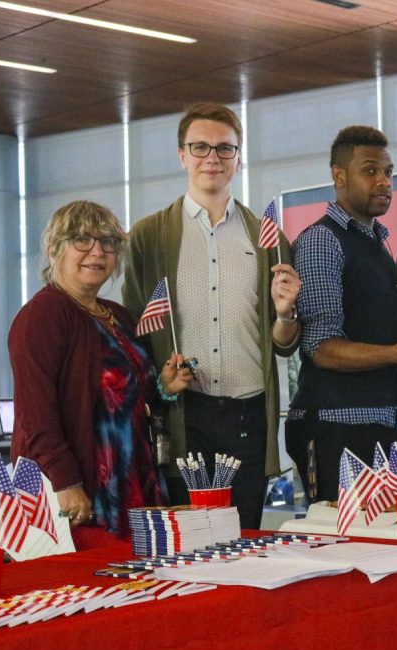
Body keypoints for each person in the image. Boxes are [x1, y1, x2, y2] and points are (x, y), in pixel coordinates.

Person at [123, 102, 302, 529]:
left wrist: (285, 312)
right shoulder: (150, 235)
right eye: (200, 147)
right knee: (187, 542)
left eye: (225, 149)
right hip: (185, 414)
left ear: (239, 159)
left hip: (248, 414)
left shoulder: (269, 238)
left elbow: (284, 341)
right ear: (182, 155)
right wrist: (161, 387)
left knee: (244, 538)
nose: (212, 158)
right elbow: (133, 331)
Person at [9, 201, 193, 544]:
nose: (97, 251)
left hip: (133, 480)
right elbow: (36, 417)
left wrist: (164, 387)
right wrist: (67, 484)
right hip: (80, 490)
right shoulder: (42, 316)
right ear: (54, 250)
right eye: (82, 240)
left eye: (107, 242)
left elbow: (125, 401)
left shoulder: (119, 316)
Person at [289, 125, 397, 501]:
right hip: (335, 427)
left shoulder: (376, 241)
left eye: (388, 173)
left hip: (386, 424)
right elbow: (322, 347)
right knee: (346, 548)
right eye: (370, 170)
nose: (384, 182)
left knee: (387, 549)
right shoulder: (322, 240)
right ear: (339, 175)